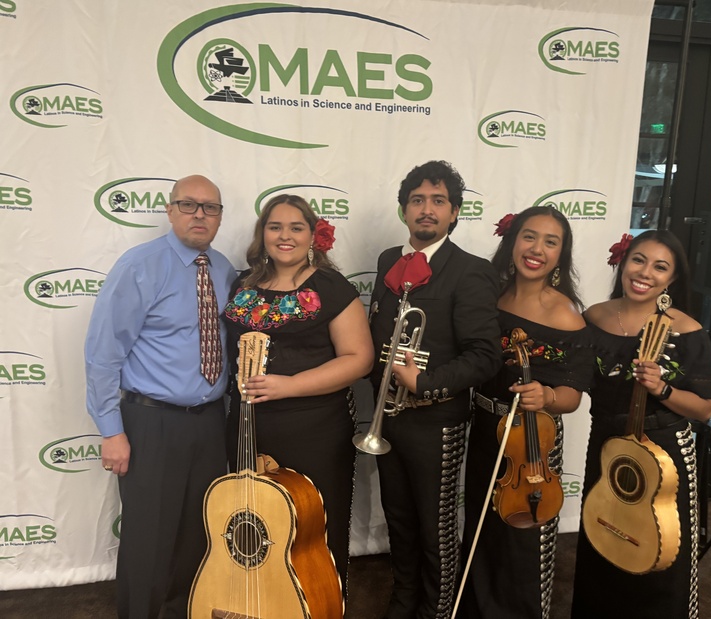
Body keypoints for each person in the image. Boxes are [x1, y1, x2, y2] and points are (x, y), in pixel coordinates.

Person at [85, 174, 237, 618]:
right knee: (149, 538)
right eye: (188, 205)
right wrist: (111, 431)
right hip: (151, 422)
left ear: (220, 217)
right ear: (169, 210)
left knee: (198, 534)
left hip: (210, 420)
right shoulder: (139, 266)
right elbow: (102, 353)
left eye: (210, 207)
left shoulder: (225, 269)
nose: (199, 215)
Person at [367, 160, 502, 619]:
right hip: (390, 419)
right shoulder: (390, 261)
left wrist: (425, 382)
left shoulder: (470, 271)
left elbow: (485, 355)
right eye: (418, 200)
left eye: (438, 201)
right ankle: (404, 602)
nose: (427, 209)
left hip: (437, 422)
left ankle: (438, 611)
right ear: (405, 209)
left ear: (455, 212)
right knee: (400, 523)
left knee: (436, 529)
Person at [221, 194, 373, 593]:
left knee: (311, 532)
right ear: (262, 234)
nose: (284, 236)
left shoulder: (330, 287)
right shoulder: (244, 283)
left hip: (313, 431)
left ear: (313, 236)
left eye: (295, 227)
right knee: (252, 530)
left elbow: (359, 359)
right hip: (248, 427)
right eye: (275, 227)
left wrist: (289, 386)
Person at [457, 206, 594, 619]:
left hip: (533, 440)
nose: (537, 249)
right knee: (482, 528)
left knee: (522, 540)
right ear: (512, 241)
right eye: (529, 237)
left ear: (561, 255)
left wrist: (548, 397)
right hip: (485, 428)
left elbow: (574, 395)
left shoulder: (565, 313)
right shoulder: (490, 295)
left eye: (551, 242)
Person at [571, 230, 711, 618]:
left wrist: (662, 388)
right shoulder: (594, 317)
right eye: (638, 260)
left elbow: (704, 409)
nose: (645, 273)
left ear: (672, 280)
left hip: (664, 452)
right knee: (602, 541)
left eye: (660, 267)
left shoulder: (685, 330)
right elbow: (573, 379)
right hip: (606, 444)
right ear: (623, 262)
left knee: (660, 554)